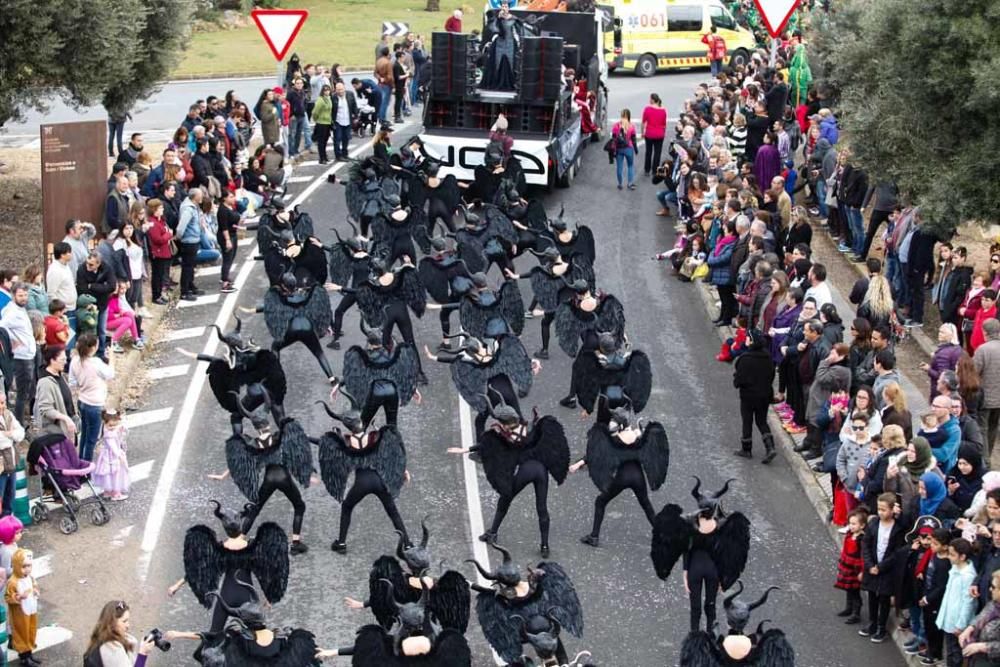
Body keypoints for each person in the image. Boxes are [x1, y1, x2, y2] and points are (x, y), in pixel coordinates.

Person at [861, 492, 905, 643]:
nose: (880, 512)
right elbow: (865, 545)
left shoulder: (898, 528)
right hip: (872, 565)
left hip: (887, 569)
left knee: (884, 598)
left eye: (884, 509)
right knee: (872, 595)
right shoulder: (873, 524)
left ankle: (881, 627)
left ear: (893, 510)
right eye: (879, 509)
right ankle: (872, 623)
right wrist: (870, 565)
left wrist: (881, 567)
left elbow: (896, 552)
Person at [732, 328, 777, 462]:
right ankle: (770, 447)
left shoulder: (745, 359)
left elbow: (738, 381)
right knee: (761, 421)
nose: (746, 339)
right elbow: (771, 376)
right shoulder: (768, 357)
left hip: (748, 396)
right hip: (764, 395)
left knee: (747, 420)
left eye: (747, 338)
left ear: (751, 341)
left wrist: (737, 378)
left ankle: (746, 449)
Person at [70, 333, 114, 462]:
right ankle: (86, 471)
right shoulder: (95, 362)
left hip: (82, 401)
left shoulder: (74, 361)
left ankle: (81, 463)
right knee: (91, 440)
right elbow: (110, 374)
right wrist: (112, 356)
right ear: (93, 348)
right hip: (95, 404)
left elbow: (72, 382)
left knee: (84, 435)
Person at [0, 284, 36, 425]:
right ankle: (19, 423)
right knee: (22, 393)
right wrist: (10, 342)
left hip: (27, 354)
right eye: (21, 295)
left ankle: (20, 420)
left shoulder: (19, 309)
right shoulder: (12, 312)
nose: (24, 298)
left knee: (25, 391)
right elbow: (2, 327)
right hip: (21, 358)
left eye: (26, 295)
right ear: (14, 295)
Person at [939, 538, 979, 666]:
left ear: (962, 556)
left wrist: (961, 625)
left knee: (956, 654)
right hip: (950, 618)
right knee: (950, 651)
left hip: (957, 623)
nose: (949, 557)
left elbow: (968, 603)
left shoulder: (968, 576)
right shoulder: (955, 568)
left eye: (952, 555)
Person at [84, 600, 156, 667]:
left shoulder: (101, 636)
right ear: (112, 622)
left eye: (128, 620)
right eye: (124, 621)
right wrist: (143, 653)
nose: (128, 625)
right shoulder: (112, 649)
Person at [76, 250, 116, 361]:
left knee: (102, 330)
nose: (88, 266)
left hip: (102, 304)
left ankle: (101, 352)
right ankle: (89, 354)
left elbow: (112, 286)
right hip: (88, 305)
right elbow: (82, 288)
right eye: (87, 263)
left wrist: (92, 286)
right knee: (89, 330)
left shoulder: (106, 268)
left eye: (91, 264)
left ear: (98, 263)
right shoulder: (82, 269)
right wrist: (102, 287)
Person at [834, 507, 869, 624]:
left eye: (854, 524)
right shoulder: (850, 535)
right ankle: (849, 608)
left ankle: (856, 613)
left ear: (862, 525)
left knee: (855, 591)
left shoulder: (862, 539)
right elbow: (845, 549)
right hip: (847, 566)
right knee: (848, 588)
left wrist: (862, 571)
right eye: (850, 523)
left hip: (855, 569)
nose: (851, 526)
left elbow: (863, 557)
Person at [35, 346, 77, 440]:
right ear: (52, 360)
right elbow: (46, 409)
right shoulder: (45, 382)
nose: (65, 362)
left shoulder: (58, 374)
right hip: (56, 432)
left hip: (67, 427)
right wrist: (65, 418)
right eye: (62, 360)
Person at [5, 548, 38, 666]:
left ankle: (29, 653)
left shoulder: (29, 577)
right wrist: (19, 597)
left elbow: (34, 585)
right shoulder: (13, 582)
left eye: (29, 566)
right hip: (20, 613)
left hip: (31, 609)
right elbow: (8, 597)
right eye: (24, 566)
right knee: (21, 633)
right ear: (17, 566)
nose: (28, 569)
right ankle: (24, 658)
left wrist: (35, 591)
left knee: (31, 630)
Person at [974, 318, 1000, 458]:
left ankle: (985, 460)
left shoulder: (983, 350)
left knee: (982, 429)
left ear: (985, 332)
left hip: (985, 398)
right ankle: (988, 454)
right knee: (993, 427)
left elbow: (973, 372)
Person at [93, 409, 130, 501]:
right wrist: (119, 456)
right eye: (110, 425)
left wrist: (119, 427)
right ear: (104, 423)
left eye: (115, 425)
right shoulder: (109, 435)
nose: (113, 427)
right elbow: (113, 447)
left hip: (106, 455)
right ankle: (116, 494)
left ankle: (107, 492)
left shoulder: (107, 430)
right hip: (112, 456)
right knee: (115, 474)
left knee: (108, 474)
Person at [175, 188, 204, 301]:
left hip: (194, 239)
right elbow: (181, 227)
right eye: (200, 195)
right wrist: (179, 237)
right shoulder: (188, 209)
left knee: (191, 266)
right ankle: (184, 291)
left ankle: (191, 286)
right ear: (194, 196)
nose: (202, 197)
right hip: (189, 241)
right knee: (187, 267)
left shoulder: (193, 206)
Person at [923, 323, 964, 400]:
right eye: (939, 332)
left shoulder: (944, 353)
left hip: (941, 391)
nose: (939, 334)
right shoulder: (958, 348)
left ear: (950, 335)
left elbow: (942, 376)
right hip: (955, 387)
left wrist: (928, 369)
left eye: (942, 332)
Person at [146, 199, 173, 305]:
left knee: (161, 274)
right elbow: (158, 239)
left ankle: (160, 294)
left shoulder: (160, 220)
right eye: (160, 208)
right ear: (154, 210)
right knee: (157, 275)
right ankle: (156, 295)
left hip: (164, 251)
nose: (162, 209)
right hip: (158, 253)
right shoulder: (153, 223)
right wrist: (169, 234)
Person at [0, 393, 23, 516]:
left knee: (10, 498)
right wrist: (11, 435)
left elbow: (20, 433)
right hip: (1, 467)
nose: (2, 406)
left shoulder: (8, 415)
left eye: (3, 403)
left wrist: (8, 434)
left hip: (11, 464)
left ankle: (6, 529)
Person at [216, 190, 240, 294]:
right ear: (224, 198)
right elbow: (224, 227)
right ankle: (225, 283)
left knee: (231, 257)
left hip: (233, 233)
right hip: (226, 235)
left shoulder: (231, 207)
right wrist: (227, 240)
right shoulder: (222, 210)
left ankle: (225, 276)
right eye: (230, 197)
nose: (233, 198)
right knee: (227, 258)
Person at [611, 109, 638, 190]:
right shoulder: (631, 126)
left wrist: (613, 149)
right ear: (629, 116)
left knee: (619, 167)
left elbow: (613, 138)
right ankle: (630, 183)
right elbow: (633, 139)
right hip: (629, 148)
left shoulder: (616, 126)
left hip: (619, 149)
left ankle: (620, 184)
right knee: (630, 166)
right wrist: (636, 149)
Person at [641, 94, 667, 177]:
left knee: (648, 152)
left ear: (652, 100)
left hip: (649, 134)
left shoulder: (647, 109)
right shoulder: (663, 111)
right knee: (657, 153)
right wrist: (664, 133)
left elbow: (643, 122)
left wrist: (642, 133)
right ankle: (655, 171)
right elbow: (664, 124)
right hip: (659, 134)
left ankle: (647, 170)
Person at [331, 81, 358, 161]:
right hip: (337, 121)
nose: (340, 91)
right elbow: (331, 110)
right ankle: (338, 156)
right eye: (338, 90)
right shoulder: (333, 97)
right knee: (337, 139)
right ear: (335, 90)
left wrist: (356, 116)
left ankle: (345, 154)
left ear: (344, 88)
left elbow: (354, 105)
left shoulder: (350, 94)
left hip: (347, 120)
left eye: (341, 89)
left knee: (346, 138)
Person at [310, 83, 333, 164]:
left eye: (328, 90)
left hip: (328, 122)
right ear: (322, 91)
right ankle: (321, 157)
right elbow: (315, 112)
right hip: (321, 123)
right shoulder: (320, 100)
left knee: (325, 140)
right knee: (321, 141)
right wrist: (317, 119)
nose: (327, 92)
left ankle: (325, 156)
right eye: (325, 90)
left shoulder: (329, 99)